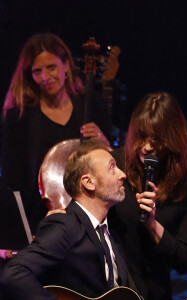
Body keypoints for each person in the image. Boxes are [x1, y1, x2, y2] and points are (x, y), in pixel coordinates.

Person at [1, 33, 112, 244]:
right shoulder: (20, 115)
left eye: (51, 67)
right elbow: (11, 180)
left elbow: (111, 165)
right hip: (39, 221)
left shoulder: (92, 104)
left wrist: (105, 143)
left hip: (90, 214)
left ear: (66, 66)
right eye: (37, 71)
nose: (44, 77)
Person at [0, 139, 133, 299]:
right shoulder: (65, 225)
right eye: (112, 168)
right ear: (89, 182)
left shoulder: (111, 233)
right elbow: (14, 273)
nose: (123, 174)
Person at [108, 91, 187, 299]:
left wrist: (153, 225)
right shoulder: (115, 164)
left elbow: (185, 260)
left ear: (172, 139)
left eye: (156, 140)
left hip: (155, 292)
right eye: (141, 137)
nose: (146, 147)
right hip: (111, 289)